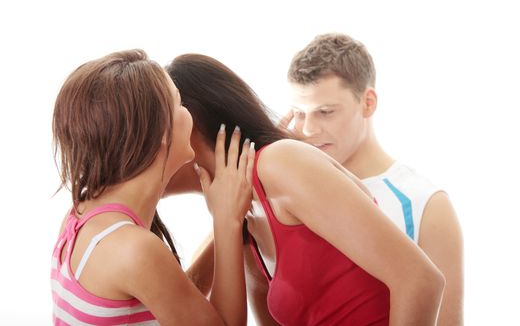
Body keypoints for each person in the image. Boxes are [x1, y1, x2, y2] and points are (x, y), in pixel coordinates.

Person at [164, 53, 445, 326]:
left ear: (192, 124)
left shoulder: (279, 163)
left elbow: (420, 280)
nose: (136, 159)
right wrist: (226, 221)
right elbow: (183, 308)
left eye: (148, 135)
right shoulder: (245, 215)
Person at [50, 49, 254, 326]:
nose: (189, 115)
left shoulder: (83, 212)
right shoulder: (134, 248)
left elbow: (177, 300)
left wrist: (227, 220)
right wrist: (227, 221)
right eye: (180, 104)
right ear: (160, 132)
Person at [281, 33, 464, 325]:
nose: (308, 129)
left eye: (325, 112)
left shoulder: (425, 205)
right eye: (299, 114)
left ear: (368, 102)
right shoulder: (286, 195)